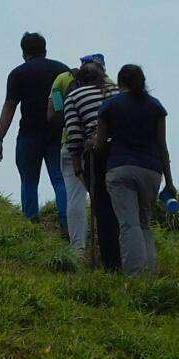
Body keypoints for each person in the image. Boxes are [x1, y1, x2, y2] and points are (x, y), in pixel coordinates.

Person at [91, 64, 175, 276]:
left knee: (129, 224)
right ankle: (151, 274)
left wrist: (91, 145)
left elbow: (100, 146)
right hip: (152, 171)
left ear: (120, 83)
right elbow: (162, 146)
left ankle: (135, 276)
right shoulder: (156, 107)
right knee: (144, 223)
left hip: (120, 168)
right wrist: (170, 182)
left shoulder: (110, 105)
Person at [0, 32, 69, 223]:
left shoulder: (18, 73)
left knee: (28, 180)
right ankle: (67, 221)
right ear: (45, 49)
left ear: (24, 52)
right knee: (60, 179)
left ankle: (31, 222)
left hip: (29, 133)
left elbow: (10, 106)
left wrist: (0, 138)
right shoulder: (61, 70)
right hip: (57, 133)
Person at [60, 59, 118, 268]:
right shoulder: (117, 91)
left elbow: (74, 135)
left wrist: (77, 166)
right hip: (124, 151)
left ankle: (111, 263)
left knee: (102, 208)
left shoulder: (74, 96)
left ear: (79, 81)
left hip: (96, 154)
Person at [51, 53, 106, 251]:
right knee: (105, 196)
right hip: (105, 148)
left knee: (75, 196)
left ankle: (78, 248)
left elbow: (53, 110)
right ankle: (106, 244)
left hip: (70, 143)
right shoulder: (111, 85)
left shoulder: (63, 79)